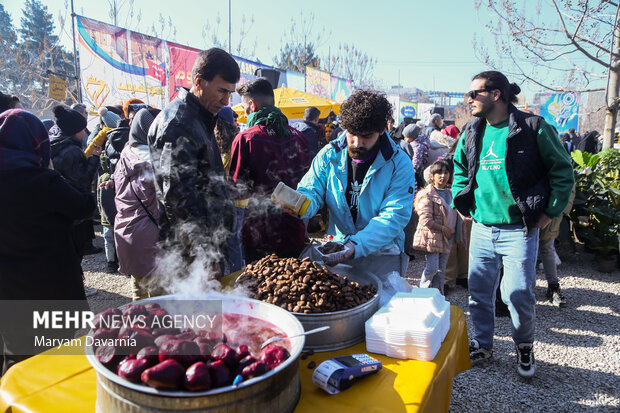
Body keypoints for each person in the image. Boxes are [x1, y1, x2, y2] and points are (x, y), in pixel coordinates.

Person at [452, 70, 574, 378]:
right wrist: (460, 200)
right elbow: (458, 170)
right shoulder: (471, 130)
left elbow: (562, 171)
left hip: (519, 229)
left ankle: (524, 346)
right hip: (481, 228)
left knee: (518, 293)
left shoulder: (533, 127)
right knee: (478, 293)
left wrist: (550, 211)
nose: (468, 100)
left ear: (496, 95)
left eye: (473, 94)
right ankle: (482, 345)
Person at [0, 109, 94, 374]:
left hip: (7, 292)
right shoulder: (42, 180)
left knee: (17, 359)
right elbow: (83, 206)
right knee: (55, 361)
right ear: (36, 142)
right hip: (50, 289)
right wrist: (51, 170)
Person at [296, 90, 415, 282]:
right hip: (336, 250)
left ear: (382, 130)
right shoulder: (329, 154)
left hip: (381, 255)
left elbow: (394, 215)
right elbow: (312, 189)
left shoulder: (399, 164)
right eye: (352, 134)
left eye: (366, 136)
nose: (357, 143)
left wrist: (355, 245)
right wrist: (298, 205)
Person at [148, 48, 240, 279]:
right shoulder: (179, 124)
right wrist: (203, 255)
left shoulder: (200, 117)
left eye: (230, 93)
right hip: (188, 256)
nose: (226, 101)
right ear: (199, 82)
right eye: (222, 91)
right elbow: (179, 198)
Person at [230, 77, 310, 263]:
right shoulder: (300, 137)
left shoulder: (246, 138)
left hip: (259, 236)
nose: (244, 113)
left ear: (252, 104)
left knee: (261, 289)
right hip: (294, 232)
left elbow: (236, 192)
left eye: (243, 108)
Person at [114, 108, 164, 300]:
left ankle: (138, 325)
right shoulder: (152, 162)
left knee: (139, 290)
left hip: (126, 231)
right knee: (160, 296)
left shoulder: (124, 156)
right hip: (150, 235)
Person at [50, 105, 102, 260]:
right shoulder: (71, 151)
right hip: (73, 206)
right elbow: (83, 179)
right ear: (74, 130)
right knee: (74, 251)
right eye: (82, 129)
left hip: (60, 207)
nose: (83, 133)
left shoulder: (55, 144)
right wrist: (94, 159)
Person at [413, 160, 456, 295]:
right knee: (432, 267)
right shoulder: (427, 194)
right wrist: (443, 229)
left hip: (448, 235)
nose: (443, 176)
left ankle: (438, 295)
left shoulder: (450, 193)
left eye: (446, 172)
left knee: (441, 270)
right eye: (439, 172)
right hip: (433, 236)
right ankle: (422, 291)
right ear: (431, 176)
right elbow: (425, 219)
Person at [538, 184, 575, 307]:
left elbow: (568, 182)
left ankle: (553, 286)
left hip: (550, 205)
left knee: (547, 246)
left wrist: (562, 209)